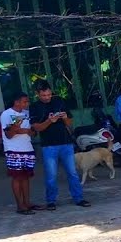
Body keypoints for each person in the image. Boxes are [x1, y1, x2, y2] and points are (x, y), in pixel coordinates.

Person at [29, 80, 90, 210]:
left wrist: (64, 117)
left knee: (72, 173)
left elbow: (69, 123)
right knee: (51, 175)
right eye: (43, 95)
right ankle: (51, 200)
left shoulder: (59, 101)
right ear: (38, 94)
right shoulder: (34, 107)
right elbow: (37, 128)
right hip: (48, 145)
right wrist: (50, 121)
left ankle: (78, 198)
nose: (47, 97)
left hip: (65, 143)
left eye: (49, 95)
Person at [1, 93, 39, 215]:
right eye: (24, 102)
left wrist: (28, 131)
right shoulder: (6, 114)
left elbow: (33, 132)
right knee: (17, 177)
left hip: (27, 148)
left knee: (26, 176)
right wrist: (17, 127)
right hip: (13, 149)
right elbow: (9, 134)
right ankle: (20, 205)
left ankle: (27, 203)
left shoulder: (26, 114)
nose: (27, 104)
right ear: (16, 102)